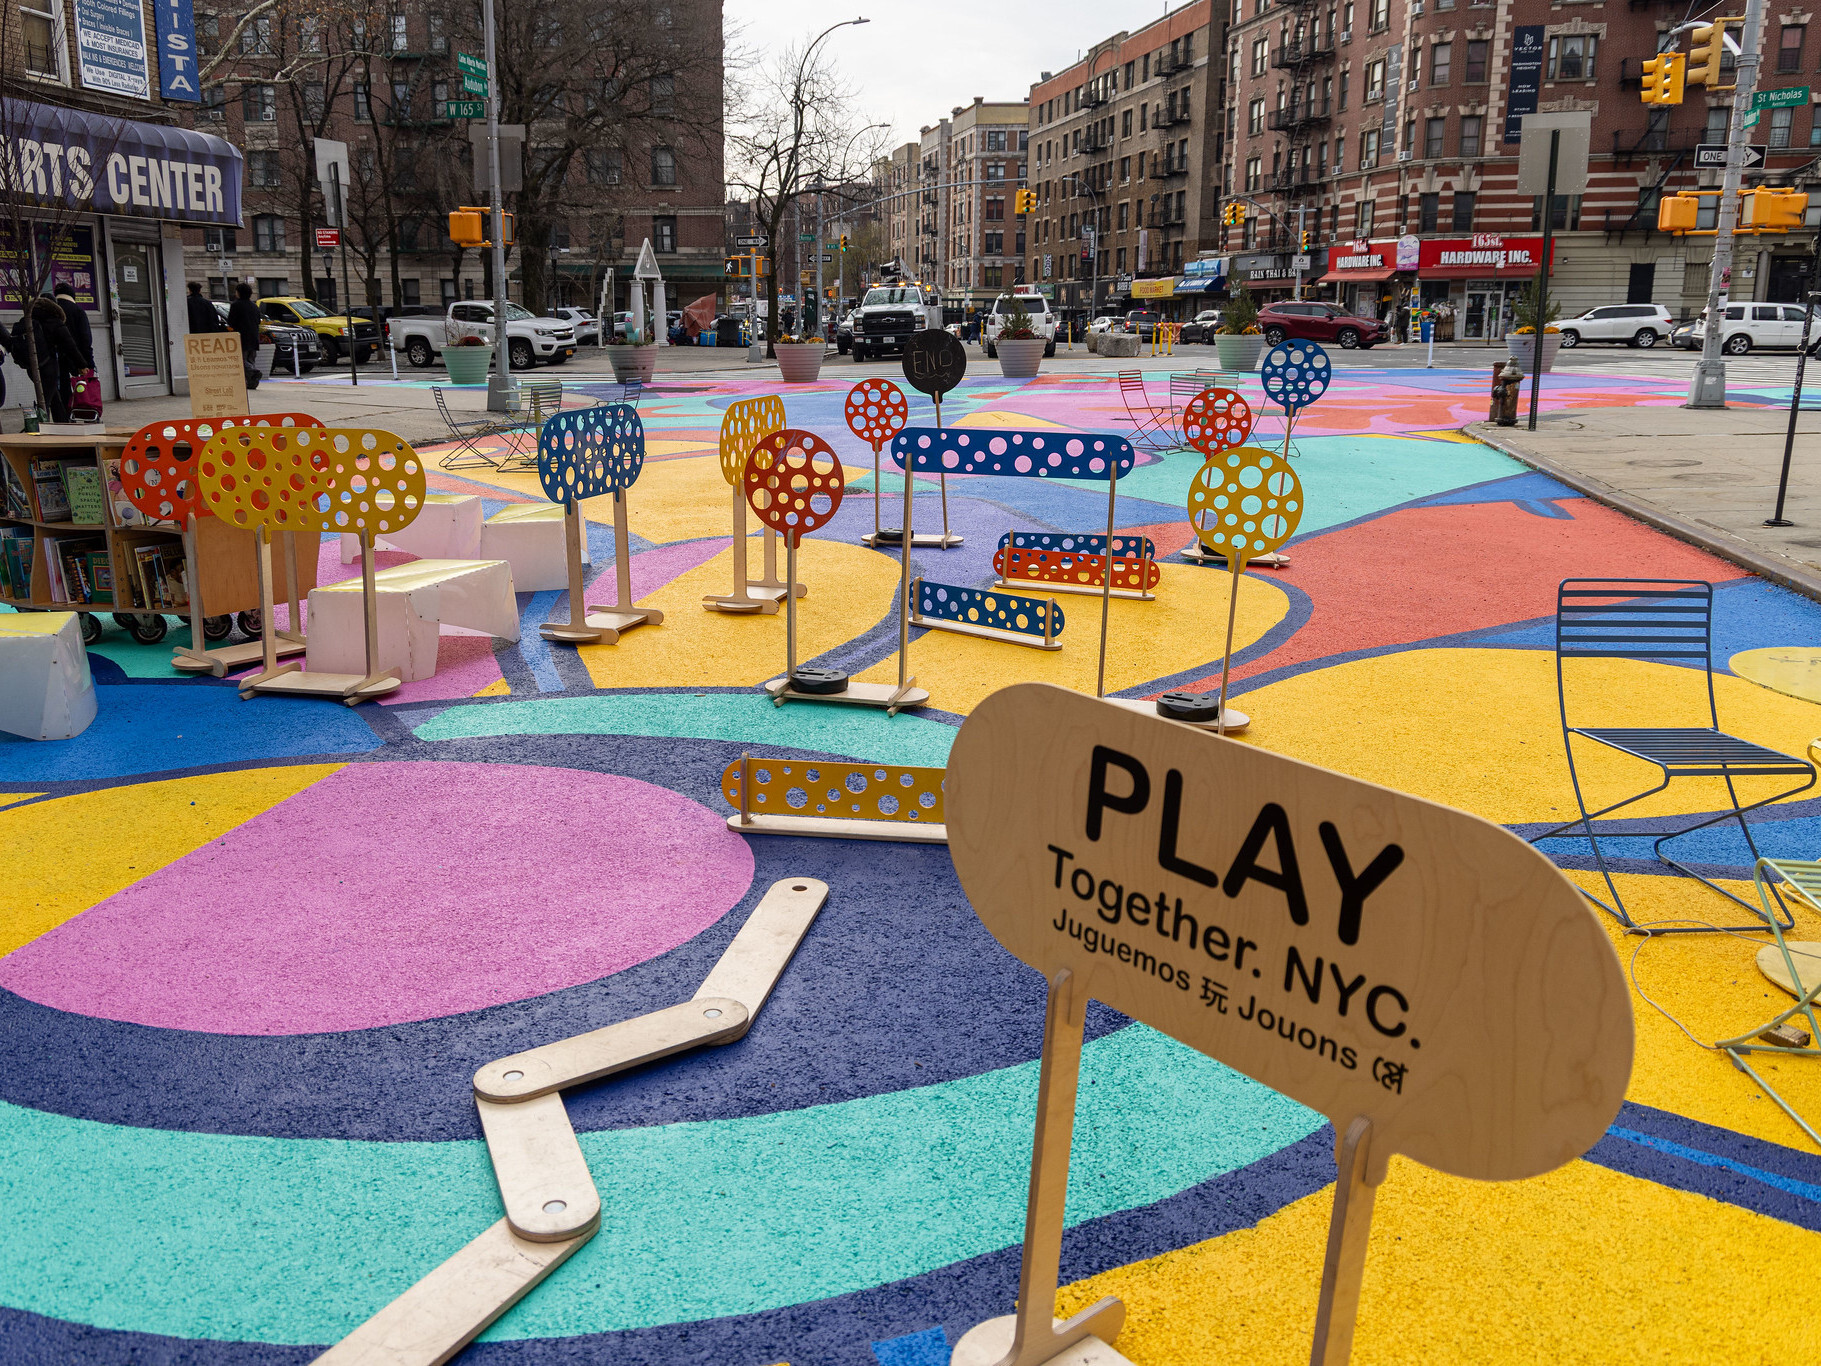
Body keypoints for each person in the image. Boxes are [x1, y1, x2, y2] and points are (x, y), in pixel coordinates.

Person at [10, 293, 86, 423]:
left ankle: (62, 423)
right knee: (45, 399)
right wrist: (82, 364)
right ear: (53, 307)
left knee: (53, 396)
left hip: (31, 366)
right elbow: (70, 346)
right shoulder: (54, 321)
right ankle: (40, 425)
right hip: (49, 365)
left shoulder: (27, 320)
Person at [227, 282, 264, 382]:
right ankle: (252, 382)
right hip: (254, 337)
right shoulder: (254, 306)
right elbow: (258, 321)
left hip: (242, 338)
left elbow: (231, 321)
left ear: (238, 293)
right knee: (251, 359)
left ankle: (253, 372)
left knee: (242, 360)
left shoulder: (236, 305)